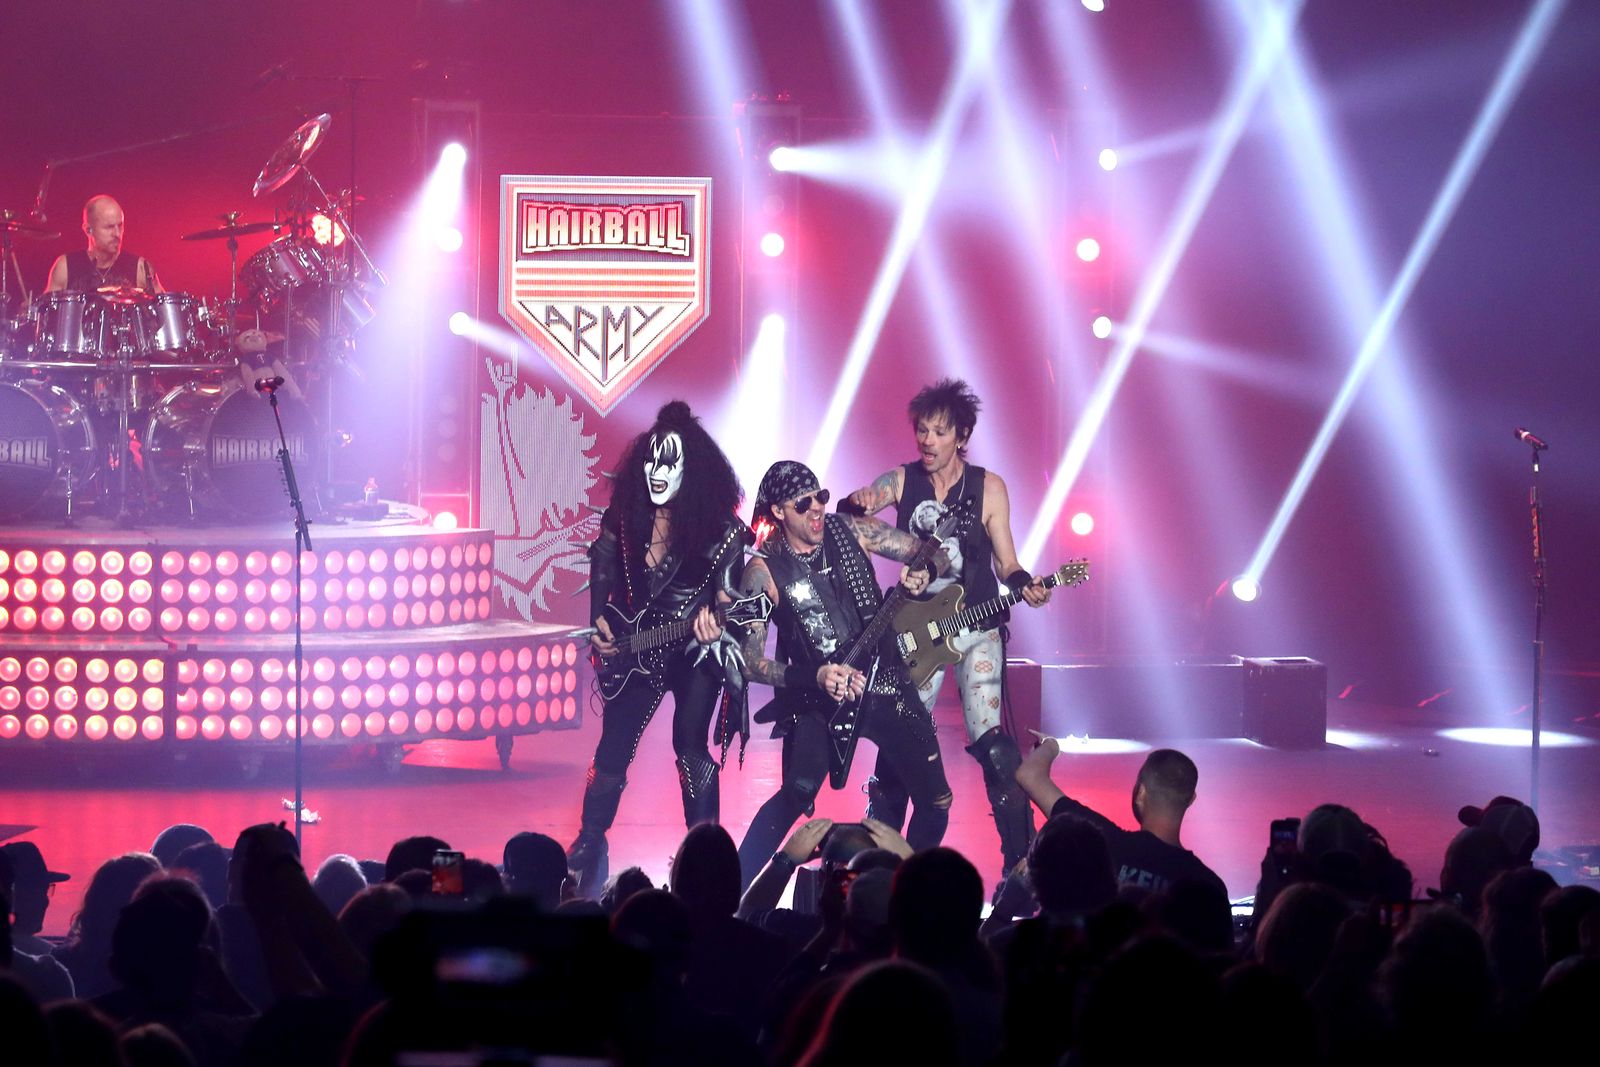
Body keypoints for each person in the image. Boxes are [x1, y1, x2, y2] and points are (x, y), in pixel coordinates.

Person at [844, 378, 1049, 874]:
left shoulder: (988, 487)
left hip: (975, 625)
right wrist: (860, 503)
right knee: (902, 735)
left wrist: (1026, 584)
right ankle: (880, 861)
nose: (927, 441)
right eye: (922, 430)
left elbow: (1007, 563)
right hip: (917, 634)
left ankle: (1020, 863)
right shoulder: (901, 480)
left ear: (962, 435)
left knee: (992, 742)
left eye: (939, 432)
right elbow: (852, 517)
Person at [731, 460, 953, 886]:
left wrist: (926, 571)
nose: (816, 508)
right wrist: (813, 677)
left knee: (936, 800)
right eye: (802, 504)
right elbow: (749, 661)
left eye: (820, 497)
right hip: (819, 700)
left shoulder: (853, 529)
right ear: (778, 511)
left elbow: (935, 554)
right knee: (796, 792)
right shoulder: (761, 572)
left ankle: (908, 892)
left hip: (886, 682)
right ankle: (730, 891)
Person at [567, 400, 751, 896]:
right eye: (651, 460)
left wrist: (718, 627)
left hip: (690, 650)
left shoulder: (722, 530)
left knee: (690, 744)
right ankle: (589, 841)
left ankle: (704, 854)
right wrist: (599, 621)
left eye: (669, 463)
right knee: (613, 746)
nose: (657, 471)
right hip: (634, 648)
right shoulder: (627, 515)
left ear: (693, 470)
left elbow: (730, 602)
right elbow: (603, 563)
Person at [1016, 736, 1231, 947]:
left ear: (1141, 792)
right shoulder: (1209, 887)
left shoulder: (1104, 844)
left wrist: (1051, 745)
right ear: (1191, 799)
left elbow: (1030, 775)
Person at [45, 195, 163, 294]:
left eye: (120, 226)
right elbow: (46, 311)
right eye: (109, 227)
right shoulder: (65, 267)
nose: (117, 234)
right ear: (88, 230)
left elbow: (164, 309)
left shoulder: (140, 268)